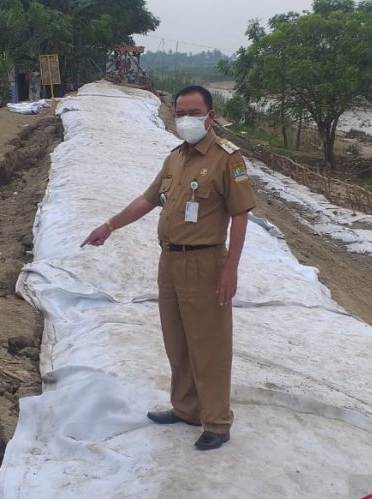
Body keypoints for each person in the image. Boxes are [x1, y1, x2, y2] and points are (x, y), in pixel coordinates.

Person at [81, 85, 256, 450]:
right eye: (180, 113)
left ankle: (217, 422)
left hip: (205, 263)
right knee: (177, 341)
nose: (186, 120)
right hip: (170, 261)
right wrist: (109, 226)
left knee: (209, 344)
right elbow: (148, 200)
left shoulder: (228, 160)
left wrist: (230, 270)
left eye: (194, 113)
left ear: (210, 115)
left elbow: (240, 216)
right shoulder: (175, 158)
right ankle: (186, 408)